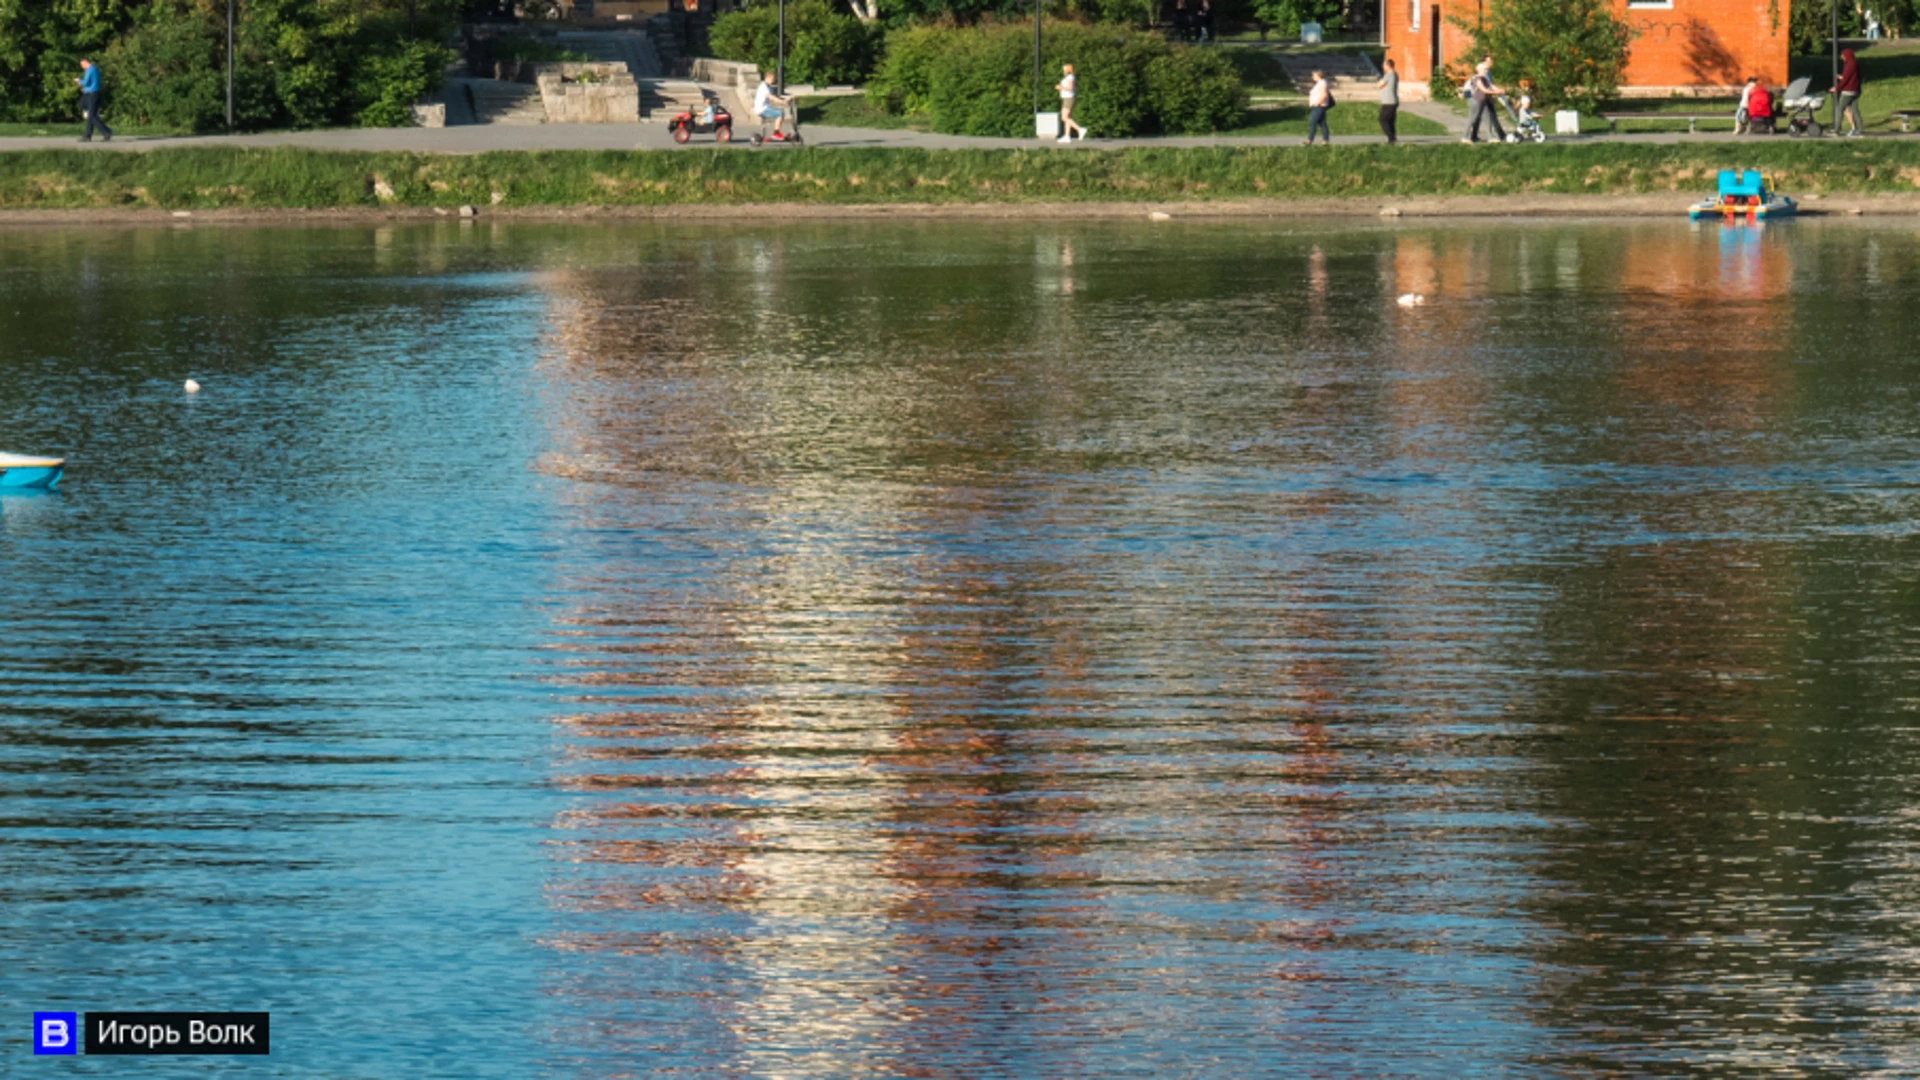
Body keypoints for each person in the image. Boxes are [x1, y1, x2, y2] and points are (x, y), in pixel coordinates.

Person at [1463, 56, 1506, 144]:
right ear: (1479, 70)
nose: (1486, 71)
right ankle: (1465, 137)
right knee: (1472, 119)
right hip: (1475, 102)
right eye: (1484, 70)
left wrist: (1499, 90)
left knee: (1487, 118)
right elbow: (1484, 90)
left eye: (1486, 70)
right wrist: (1496, 92)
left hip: (1483, 102)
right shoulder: (1477, 79)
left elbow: (1491, 86)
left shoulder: (1485, 79)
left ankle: (1490, 137)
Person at [75, 58, 112, 143]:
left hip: (92, 95)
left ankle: (106, 132)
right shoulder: (94, 69)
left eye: (82, 65)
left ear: (85, 62)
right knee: (90, 115)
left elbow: (85, 82)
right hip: (92, 92)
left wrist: (79, 80)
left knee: (91, 116)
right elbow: (92, 83)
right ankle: (87, 136)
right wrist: (85, 89)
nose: (82, 67)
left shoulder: (90, 70)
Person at [752, 71, 792, 140]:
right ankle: (776, 133)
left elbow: (775, 96)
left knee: (780, 113)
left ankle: (776, 133)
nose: (773, 81)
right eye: (772, 79)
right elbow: (771, 98)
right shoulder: (763, 87)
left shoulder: (767, 86)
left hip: (764, 108)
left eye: (773, 80)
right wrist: (782, 102)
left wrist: (786, 98)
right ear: (767, 78)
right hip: (761, 109)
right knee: (780, 114)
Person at [1056, 64, 1087, 142]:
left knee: (1064, 117)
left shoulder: (1070, 77)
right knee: (1068, 117)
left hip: (1068, 99)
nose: (1063, 71)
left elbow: (1070, 88)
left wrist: (1061, 87)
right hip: (1067, 98)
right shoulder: (1069, 77)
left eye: (1064, 69)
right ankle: (1067, 136)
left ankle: (1080, 129)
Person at [1837, 47, 1863, 136]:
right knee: (1855, 110)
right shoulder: (1856, 64)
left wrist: (1837, 87)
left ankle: (1837, 129)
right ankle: (1859, 129)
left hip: (1848, 91)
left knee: (1840, 108)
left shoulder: (1849, 65)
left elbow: (1846, 80)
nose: (1842, 57)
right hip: (1856, 90)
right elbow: (1855, 78)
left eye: (1843, 55)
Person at [1305, 69, 1333, 145]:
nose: (1312, 77)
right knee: (1322, 123)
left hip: (1319, 106)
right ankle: (1325, 140)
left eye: (1314, 75)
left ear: (1318, 75)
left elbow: (1324, 95)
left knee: (1312, 122)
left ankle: (1309, 140)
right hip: (1318, 106)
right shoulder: (1320, 83)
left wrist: (1317, 103)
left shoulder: (1322, 83)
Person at [1376, 58, 1399, 144]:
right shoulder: (1394, 74)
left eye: (1384, 64)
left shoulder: (1389, 75)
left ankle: (1391, 137)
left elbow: (1380, 85)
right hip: (1393, 101)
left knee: (1383, 119)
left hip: (1388, 102)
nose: (1383, 66)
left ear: (1388, 65)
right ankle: (1393, 137)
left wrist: (1379, 81)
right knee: (1390, 121)